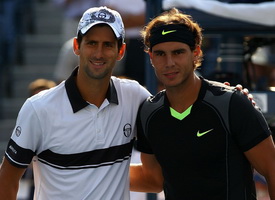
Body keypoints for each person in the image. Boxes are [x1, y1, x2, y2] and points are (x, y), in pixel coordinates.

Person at [0, 6, 151, 199]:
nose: (98, 53)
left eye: (107, 45)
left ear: (121, 50)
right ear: (76, 46)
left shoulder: (135, 96)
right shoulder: (38, 108)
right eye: (91, 43)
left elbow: (153, 180)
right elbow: (7, 180)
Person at [130, 8, 275, 200]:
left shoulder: (232, 103)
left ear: (196, 53)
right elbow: (153, 180)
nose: (169, 62)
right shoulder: (149, 112)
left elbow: (272, 170)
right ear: (151, 58)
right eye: (160, 54)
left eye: (178, 52)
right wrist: (84, 170)